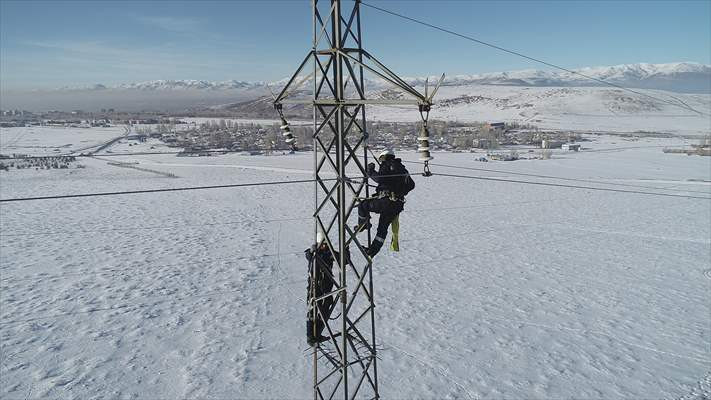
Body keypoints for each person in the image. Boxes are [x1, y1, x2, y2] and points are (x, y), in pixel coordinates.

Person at [355, 150, 415, 257]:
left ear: (384, 157)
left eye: (381, 159)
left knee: (363, 205)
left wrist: (371, 171)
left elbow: (380, 179)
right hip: (397, 205)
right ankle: (372, 251)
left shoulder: (387, 164)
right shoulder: (403, 169)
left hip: (386, 202)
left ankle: (363, 224)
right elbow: (411, 185)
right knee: (382, 229)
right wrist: (399, 191)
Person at [304, 231, 342, 346]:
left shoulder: (329, 253)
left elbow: (343, 260)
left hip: (326, 287)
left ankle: (318, 333)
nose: (324, 246)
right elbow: (309, 255)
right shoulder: (314, 254)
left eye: (326, 244)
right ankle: (310, 336)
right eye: (322, 244)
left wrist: (345, 250)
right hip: (315, 287)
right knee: (313, 310)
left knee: (325, 308)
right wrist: (313, 250)